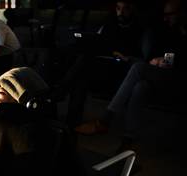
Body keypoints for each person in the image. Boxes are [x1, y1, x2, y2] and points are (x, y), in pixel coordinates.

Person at [74, 0, 187, 152]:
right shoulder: (168, 30)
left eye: (169, 15)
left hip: (184, 79)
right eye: (164, 15)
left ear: (182, 13)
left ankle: (105, 120)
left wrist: (166, 59)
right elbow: (160, 53)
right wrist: (158, 60)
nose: (165, 18)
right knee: (140, 87)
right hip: (163, 73)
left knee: (138, 68)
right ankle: (128, 139)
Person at [59, 0, 146, 129]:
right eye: (118, 8)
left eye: (125, 9)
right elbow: (102, 43)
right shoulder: (111, 24)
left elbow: (140, 57)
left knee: (83, 63)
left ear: (132, 10)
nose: (120, 13)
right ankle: (72, 122)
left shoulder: (138, 28)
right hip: (106, 62)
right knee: (82, 70)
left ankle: (59, 92)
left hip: (124, 67)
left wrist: (126, 56)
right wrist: (111, 51)